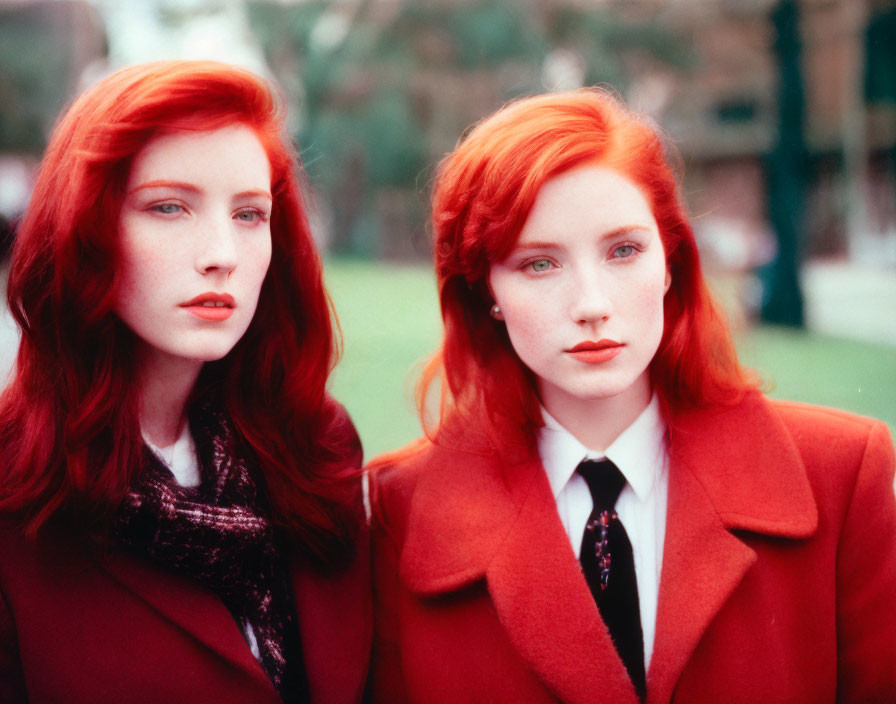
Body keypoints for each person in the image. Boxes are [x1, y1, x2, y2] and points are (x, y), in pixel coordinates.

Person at [367, 88, 896, 703]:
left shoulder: (840, 472)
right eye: (539, 264)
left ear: (669, 262)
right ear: (487, 289)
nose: (592, 305)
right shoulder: (399, 510)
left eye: (624, 250)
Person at [0, 61, 369, 703]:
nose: (221, 253)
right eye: (170, 207)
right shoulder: (15, 481)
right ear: (84, 226)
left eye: (250, 214)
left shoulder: (316, 443)